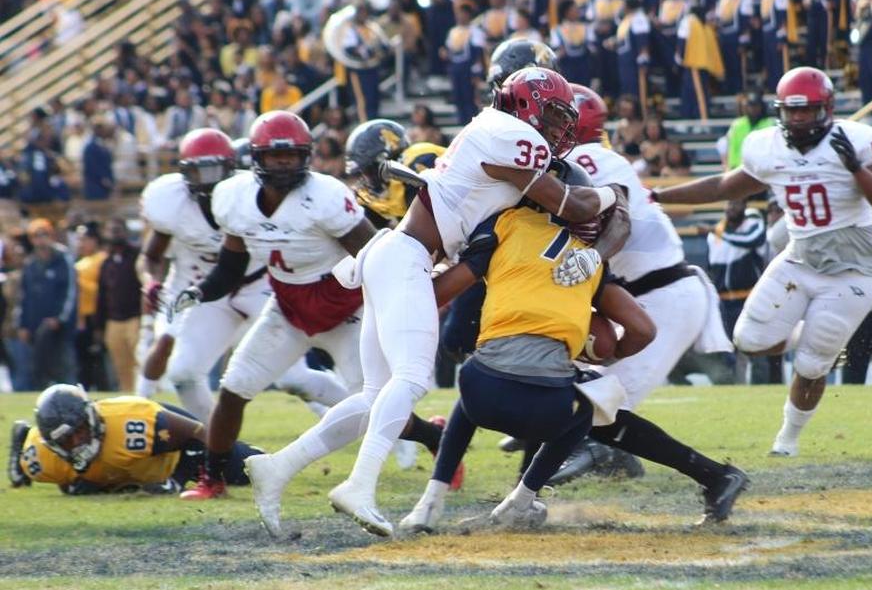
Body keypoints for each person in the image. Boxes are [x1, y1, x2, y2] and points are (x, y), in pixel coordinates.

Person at [260, 68, 628, 539]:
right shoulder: (512, 134)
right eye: (554, 115)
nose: (559, 128)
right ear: (524, 104)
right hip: (407, 254)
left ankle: (278, 468)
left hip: (396, 252)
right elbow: (572, 207)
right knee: (411, 379)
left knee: (375, 396)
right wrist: (612, 193)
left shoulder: (491, 130)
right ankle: (359, 485)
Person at [168, 112, 441, 502]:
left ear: (306, 157)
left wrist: (398, 303)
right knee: (233, 389)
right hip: (289, 308)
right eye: (277, 158)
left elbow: (373, 255)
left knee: (374, 405)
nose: (284, 165)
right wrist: (201, 291)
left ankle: (434, 436)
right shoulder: (234, 198)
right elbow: (232, 264)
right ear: (257, 158)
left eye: (292, 157)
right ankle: (211, 478)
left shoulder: (326, 197)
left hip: (344, 308)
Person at [653, 67, 872, 457]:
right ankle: (808, 335)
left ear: (828, 108)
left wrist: (854, 168)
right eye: (791, 111)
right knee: (748, 341)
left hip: (854, 262)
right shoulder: (767, 146)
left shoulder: (856, 140)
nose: (798, 119)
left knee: (813, 365)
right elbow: (721, 186)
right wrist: (660, 196)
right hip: (801, 256)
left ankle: (787, 440)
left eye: (807, 111)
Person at [535, 88, 747, 518]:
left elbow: (607, 224)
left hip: (660, 297)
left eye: (554, 121)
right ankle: (597, 458)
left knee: (596, 407)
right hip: (634, 298)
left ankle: (718, 477)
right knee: (581, 398)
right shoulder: (578, 161)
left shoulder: (594, 159)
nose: (544, 128)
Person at [399, 179, 655, 531]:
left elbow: (446, 289)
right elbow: (643, 329)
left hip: (481, 394)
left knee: (476, 372)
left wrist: (409, 281)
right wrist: (601, 358)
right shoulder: (589, 260)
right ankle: (522, 498)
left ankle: (430, 502)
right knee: (587, 401)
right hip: (548, 411)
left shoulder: (505, 223)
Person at [136, 128, 349, 422]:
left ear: (232, 167)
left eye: (215, 169)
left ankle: (370, 413)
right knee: (182, 372)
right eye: (201, 171)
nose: (209, 179)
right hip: (211, 290)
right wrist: (153, 282)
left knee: (293, 379)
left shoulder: (246, 194)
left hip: (258, 285)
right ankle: (215, 441)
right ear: (186, 173)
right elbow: (151, 256)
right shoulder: (171, 202)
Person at [8, 384, 260, 494]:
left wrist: (177, 480)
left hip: (172, 445)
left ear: (91, 417)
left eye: (80, 430)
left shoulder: (131, 424)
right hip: (138, 469)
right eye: (67, 440)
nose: (78, 441)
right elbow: (61, 479)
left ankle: (255, 454)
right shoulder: (41, 460)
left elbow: (197, 433)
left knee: (249, 471)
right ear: (52, 444)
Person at [705, 199, 771, 383]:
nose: (731, 207)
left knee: (756, 348)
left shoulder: (753, 227)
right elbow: (712, 269)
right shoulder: (716, 234)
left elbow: (751, 240)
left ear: (745, 206)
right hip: (724, 302)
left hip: (749, 298)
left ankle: (761, 393)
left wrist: (720, 233)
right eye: (729, 203)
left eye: (736, 203)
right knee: (727, 352)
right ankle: (733, 391)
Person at [18, 219, 76, 389]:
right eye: (36, 236)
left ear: (51, 236)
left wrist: (59, 318)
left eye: (44, 234)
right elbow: (25, 297)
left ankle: (73, 401)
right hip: (36, 325)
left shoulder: (63, 258)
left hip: (60, 326)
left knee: (64, 366)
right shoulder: (30, 264)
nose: (41, 239)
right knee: (39, 367)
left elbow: (70, 291)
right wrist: (23, 324)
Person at [93, 219, 141, 393]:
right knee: (121, 365)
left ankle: (147, 395)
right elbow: (101, 295)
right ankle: (128, 395)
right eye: (111, 231)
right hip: (114, 320)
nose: (115, 234)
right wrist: (99, 325)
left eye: (118, 230)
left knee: (140, 361)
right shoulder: (107, 262)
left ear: (125, 232)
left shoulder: (137, 256)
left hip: (136, 317)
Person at [73, 223, 109, 392]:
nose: (80, 243)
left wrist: (79, 282)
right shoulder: (80, 262)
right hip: (82, 318)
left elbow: (102, 290)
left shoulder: (101, 259)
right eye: (78, 239)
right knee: (83, 363)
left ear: (95, 240)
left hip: (97, 317)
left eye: (84, 239)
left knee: (99, 361)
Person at [724, 91, 775, 171]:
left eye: (756, 106)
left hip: (763, 170)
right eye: (750, 106)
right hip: (740, 170)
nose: (753, 109)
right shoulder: (737, 125)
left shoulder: (770, 124)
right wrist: (731, 168)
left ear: (762, 107)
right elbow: (732, 149)